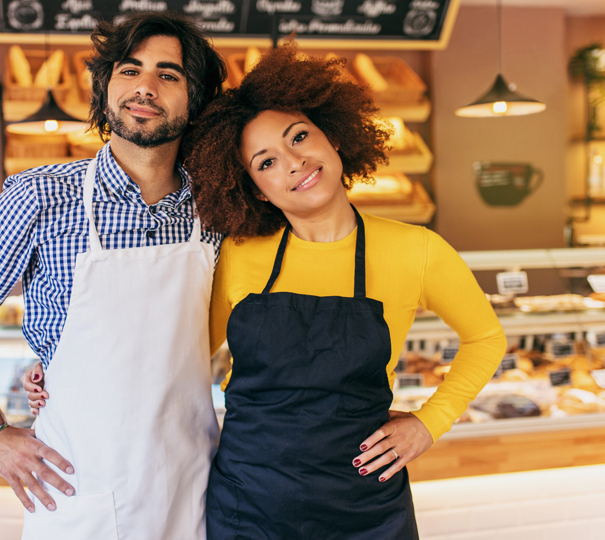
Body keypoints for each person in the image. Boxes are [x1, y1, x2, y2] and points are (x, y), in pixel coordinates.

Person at [181, 45, 508, 538]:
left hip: (365, 507)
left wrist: (429, 423)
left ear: (332, 137)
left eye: (299, 137)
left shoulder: (416, 249)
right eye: (266, 162)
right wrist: (63, 363)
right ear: (253, 188)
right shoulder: (239, 253)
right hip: (249, 504)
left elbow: (486, 338)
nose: (293, 163)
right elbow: (180, 357)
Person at [0, 11, 226, 540]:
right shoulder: (41, 196)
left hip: (194, 485)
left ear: (195, 98)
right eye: (130, 71)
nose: (145, 88)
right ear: (106, 86)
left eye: (169, 75)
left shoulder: (219, 209)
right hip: (77, 485)